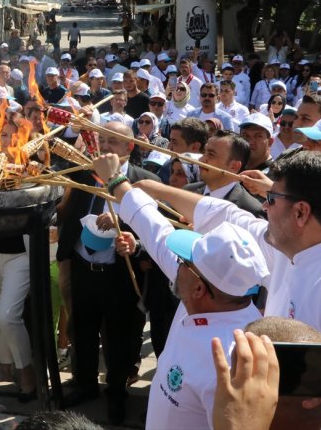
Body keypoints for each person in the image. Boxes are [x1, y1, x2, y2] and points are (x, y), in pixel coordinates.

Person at [92, 152, 268, 430]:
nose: (176, 262)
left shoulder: (234, 362)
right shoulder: (216, 293)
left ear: (199, 287)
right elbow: (155, 230)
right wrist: (116, 180)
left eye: (184, 260)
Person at [137, 150, 321, 341]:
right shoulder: (290, 247)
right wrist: (157, 191)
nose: (264, 207)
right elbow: (227, 215)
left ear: (300, 212)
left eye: (271, 199)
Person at [56, 122, 161, 422]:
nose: (105, 147)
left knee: (118, 334)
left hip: (119, 272)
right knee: (82, 328)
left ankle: (116, 392)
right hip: (82, 265)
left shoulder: (145, 181)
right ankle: (85, 384)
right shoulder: (83, 171)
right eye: (101, 140)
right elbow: (69, 209)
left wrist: (124, 229)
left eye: (113, 142)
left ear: (130, 147)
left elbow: (155, 229)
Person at [0, 115, 37, 401]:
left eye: (13, 136)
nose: (8, 141)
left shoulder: (33, 170)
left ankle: (27, 372)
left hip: (19, 256)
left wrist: (31, 176)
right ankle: (7, 366)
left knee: (7, 316)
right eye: (3, 136)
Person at [183, 130, 265, 217]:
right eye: (204, 152)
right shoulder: (188, 192)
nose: (202, 160)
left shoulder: (250, 210)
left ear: (234, 166)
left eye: (211, 154)